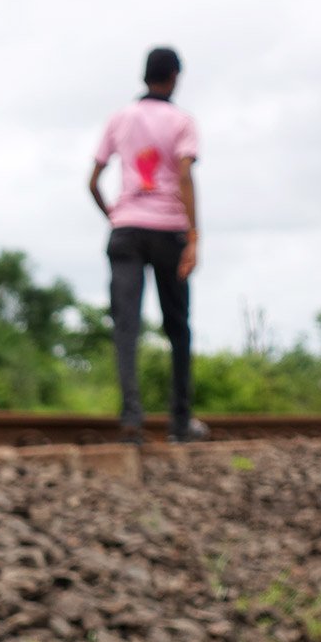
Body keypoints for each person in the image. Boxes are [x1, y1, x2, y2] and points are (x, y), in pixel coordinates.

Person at [88, 46, 205, 444]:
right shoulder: (182, 122)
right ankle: (180, 422)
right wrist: (193, 238)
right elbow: (186, 178)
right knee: (178, 328)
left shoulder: (120, 118)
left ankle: (132, 421)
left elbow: (93, 180)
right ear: (174, 77)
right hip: (169, 230)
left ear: (144, 76)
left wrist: (114, 215)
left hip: (127, 230)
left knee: (126, 326)